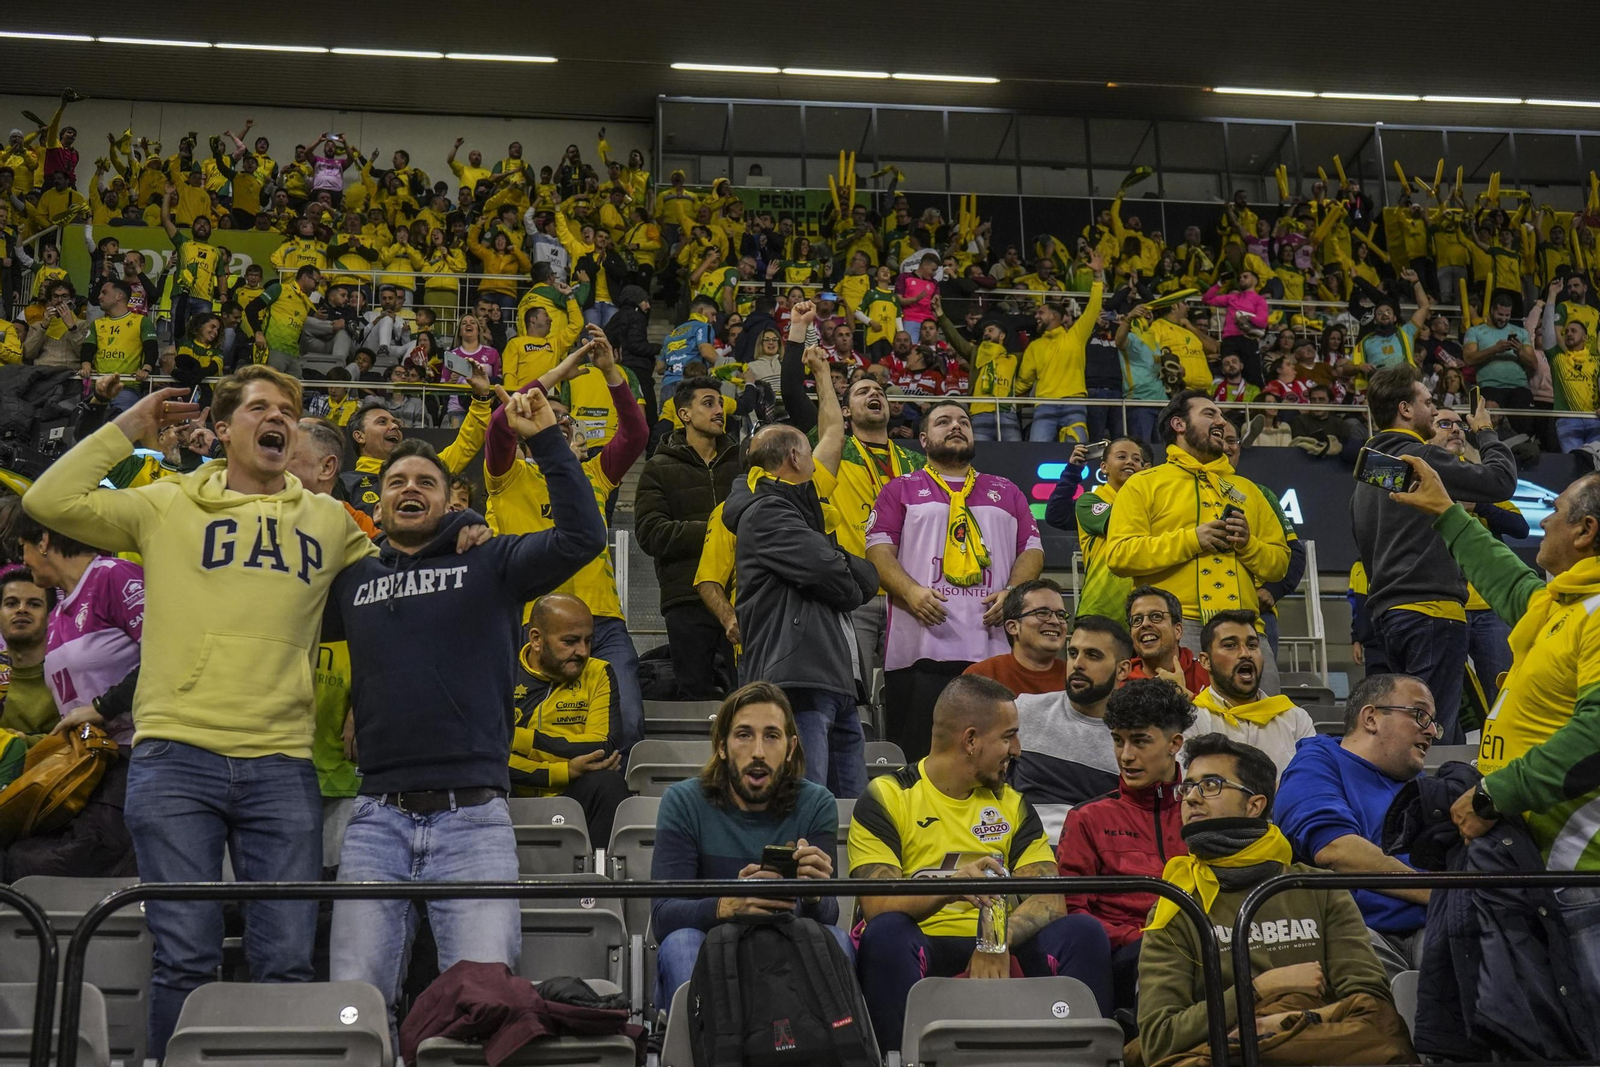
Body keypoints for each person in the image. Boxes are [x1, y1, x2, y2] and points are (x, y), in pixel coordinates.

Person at [21, 368, 379, 1059]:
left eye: (289, 411)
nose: (278, 418)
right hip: (175, 756)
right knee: (185, 958)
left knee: (285, 963)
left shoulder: (330, 521)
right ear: (222, 429)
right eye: (260, 408)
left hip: (282, 761)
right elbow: (47, 498)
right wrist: (130, 425)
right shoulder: (164, 503)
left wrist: (460, 534)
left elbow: (389, 597)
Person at [326, 395, 606, 1042]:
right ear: (377, 503)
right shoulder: (352, 582)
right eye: (396, 481)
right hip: (375, 817)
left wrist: (548, 446)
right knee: (354, 1003)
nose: (409, 489)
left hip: (473, 817)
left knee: (485, 1002)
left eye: (425, 480)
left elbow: (583, 537)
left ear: (450, 500)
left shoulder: (489, 562)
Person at [851, 675, 1114, 1050]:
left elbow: (1050, 899)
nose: (1019, 750)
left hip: (1004, 946)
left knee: (1084, 932)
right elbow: (877, 905)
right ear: (971, 740)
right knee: (887, 934)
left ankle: (1090, 1056)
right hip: (927, 944)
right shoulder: (888, 796)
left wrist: (994, 940)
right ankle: (900, 1055)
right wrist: (952, 887)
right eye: (1008, 736)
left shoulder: (1013, 804)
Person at [1390, 456, 1600, 890]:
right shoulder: (1565, 604)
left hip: (1579, 873)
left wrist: (1494, 795)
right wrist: (1448, 513)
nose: (1544, 520)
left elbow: (1597, 731)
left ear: (1586, 530)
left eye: (1556, 509)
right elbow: (1512, 583)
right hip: (1535, 860)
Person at [1137, 733, 1404, 1064]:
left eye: (1210, 785)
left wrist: (1285, 1021)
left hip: (1307, 1047)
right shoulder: (1175, 907)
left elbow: (1371, 1003)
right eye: (1187, 787)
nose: (1191, 798)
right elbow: (1159, 1038)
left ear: (1254, 805)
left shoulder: (1318, 888)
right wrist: (1258, 990)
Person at [485, 331, 647, 752]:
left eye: (566, 421)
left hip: (601, 622)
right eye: (545, 416)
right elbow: (501, 422)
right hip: (529, 623)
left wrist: (611, 372)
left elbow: (634, 435)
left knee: (627, 724)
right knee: (515, 725)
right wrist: (555, 376)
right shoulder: (509, 476)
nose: (557, 422)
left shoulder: (595, 475)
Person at [649, 682, 848, 1006]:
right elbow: (663, 916)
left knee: (837, 941)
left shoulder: (816, 804)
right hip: (714, 945)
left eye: (771, 736)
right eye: (744, 735)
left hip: (787, 944)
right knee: (680, 943)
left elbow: (828, 916)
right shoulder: (683, 802)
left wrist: (813, 895)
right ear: (723, 746)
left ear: (790, 747)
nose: (758, 751)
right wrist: (727, 905)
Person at [865, 400, 1044, 761]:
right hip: (919, 652)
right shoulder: (899, 489)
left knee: (994, 760)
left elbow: (1033, 550)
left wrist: (1011, 593)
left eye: (964, 421)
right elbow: (878, 551)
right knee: (920, 760)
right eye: (943, 421)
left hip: (992, 651)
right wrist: (911, 591)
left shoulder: (1006, 491)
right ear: (924, 439)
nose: (957, 426)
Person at [1352, 364, 1516, 744]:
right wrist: (1486, 431)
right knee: (1433, 736)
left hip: (1390, 618)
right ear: (1405, 410)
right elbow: (1500, 482)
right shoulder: (1420, 458)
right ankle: (1439, 805)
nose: (1434, 410)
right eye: (1428, 402)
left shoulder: (1369, 471)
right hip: (1433, 614)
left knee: (1422, 729)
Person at [725, 408, 877, 797]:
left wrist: (839, 564)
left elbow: (854, 576)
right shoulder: (766, 511)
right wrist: (842, 565)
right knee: (806, 808)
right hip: (798, 678)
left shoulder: (795, 514)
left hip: (834, 677)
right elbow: (836, 576)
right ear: (795, 458)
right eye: (810, 453)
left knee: (848, 818)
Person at [1105, 390, 1290, 695]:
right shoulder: (1143, 484)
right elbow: (1120, 554)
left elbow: (1279, 565)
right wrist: (1193, 539)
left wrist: (1248, 544)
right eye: (1210, 414)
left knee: (1263, 727)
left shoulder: (1249, 490)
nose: (1222, 422)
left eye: (1221, 415)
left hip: (1245, 629)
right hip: (1175, 629)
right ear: (1178, 424)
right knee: (1176, 730)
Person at [1275, 673, 1435, 977]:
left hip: (1433, 924)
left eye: (1432, 721)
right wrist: (1438, 893)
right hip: (1361, 931)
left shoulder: (1422, 786)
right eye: (1419, 714)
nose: (1431, 731)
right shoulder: (1317, 762)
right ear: (1372, 718)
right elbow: (1336, 849)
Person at [1057, 677, 1194, 1014]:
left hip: (1199, 945)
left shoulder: (1203, 811)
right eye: (1118, 741)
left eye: (1140, 741)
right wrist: (1140, 937)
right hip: (1125, 955)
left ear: (1174, 743)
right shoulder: (1087, 818)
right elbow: (1073, 913)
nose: (1126, 756)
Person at [635, 376, 740, 699]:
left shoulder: (743, 464)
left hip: (742, 596)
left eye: (720, 403)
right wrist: (716, 532)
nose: (719, 410)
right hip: (685, 598)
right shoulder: (659, 467)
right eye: (708, 403)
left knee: (746, 691)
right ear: (684, 414)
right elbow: (650, 532)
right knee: (695, 693)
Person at [510, 594, 629, 842]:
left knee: (608, 783)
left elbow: (602, 746)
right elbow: (492, 755)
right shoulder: (502, 672)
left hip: (575, 793)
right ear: (536, 639)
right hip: (510, 794)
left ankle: (600, 877)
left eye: (588, 641)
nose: (583, 652)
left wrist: (517, 738)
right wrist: (564, 770)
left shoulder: (599, 672)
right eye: (570, 642)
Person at [1011, 615, 1133, 825]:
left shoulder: (1132, 740)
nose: (1077, 664)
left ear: (1122, 670)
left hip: (1091, 850)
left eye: (1093, 655)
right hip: (1019, 845)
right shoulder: (1024, 710)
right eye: (1073, 653)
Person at [339, 372, 493, 518]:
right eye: (382, 422)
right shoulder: (345, 484)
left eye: (396, 423)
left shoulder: (426, 471)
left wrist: (481, 398)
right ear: (360, 436)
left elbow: (466, 443)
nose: (394, 427)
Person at [1191, 609, 1315, 774]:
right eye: (1230, 646)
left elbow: (1313, 781)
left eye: (1252, 645)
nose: (1245, 654)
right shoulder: (1191, 720)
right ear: (1206, 661)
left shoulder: (1296, 719)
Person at [1043, 438, 1148, 621]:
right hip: (1101, 609)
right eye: (1121, 456)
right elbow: (1056, 515)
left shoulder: (1151, 503)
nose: (1130, 462)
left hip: (1143, 611)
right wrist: (1072, 472)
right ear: (1104, 467)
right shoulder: (1091, 501)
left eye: (1137, 459)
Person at [1016, 256, 1104, 443]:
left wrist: (1097, 276)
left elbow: (1093, 308)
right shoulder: (1034, 346)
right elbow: (1023, 383)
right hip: (1044, 405)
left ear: (1054, 316)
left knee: (1079, 454)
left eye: (1041, 312)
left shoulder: (1075, 336)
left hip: (1074, 403)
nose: (1036, 316)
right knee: (1037, 451)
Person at [962, 579, 1068, 696]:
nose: (1055, 621)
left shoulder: (1077, 677)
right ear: (1013, 627)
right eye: (1042, 613)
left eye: (1061, 615)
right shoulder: (981, 676)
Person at [0, 566, 59, 742]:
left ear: (50, 617)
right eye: (11, 603)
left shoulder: (70, 671)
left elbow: (82, 739)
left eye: (34, 604)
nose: (21, 610)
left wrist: (25, 742)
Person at [1123, 585, 1210, 694]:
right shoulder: (1119, 680)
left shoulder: (1208, 675)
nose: (1144, 624)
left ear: (1177, 631)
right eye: (1137, 620)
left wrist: (1184, 696)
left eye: (1156, 616)